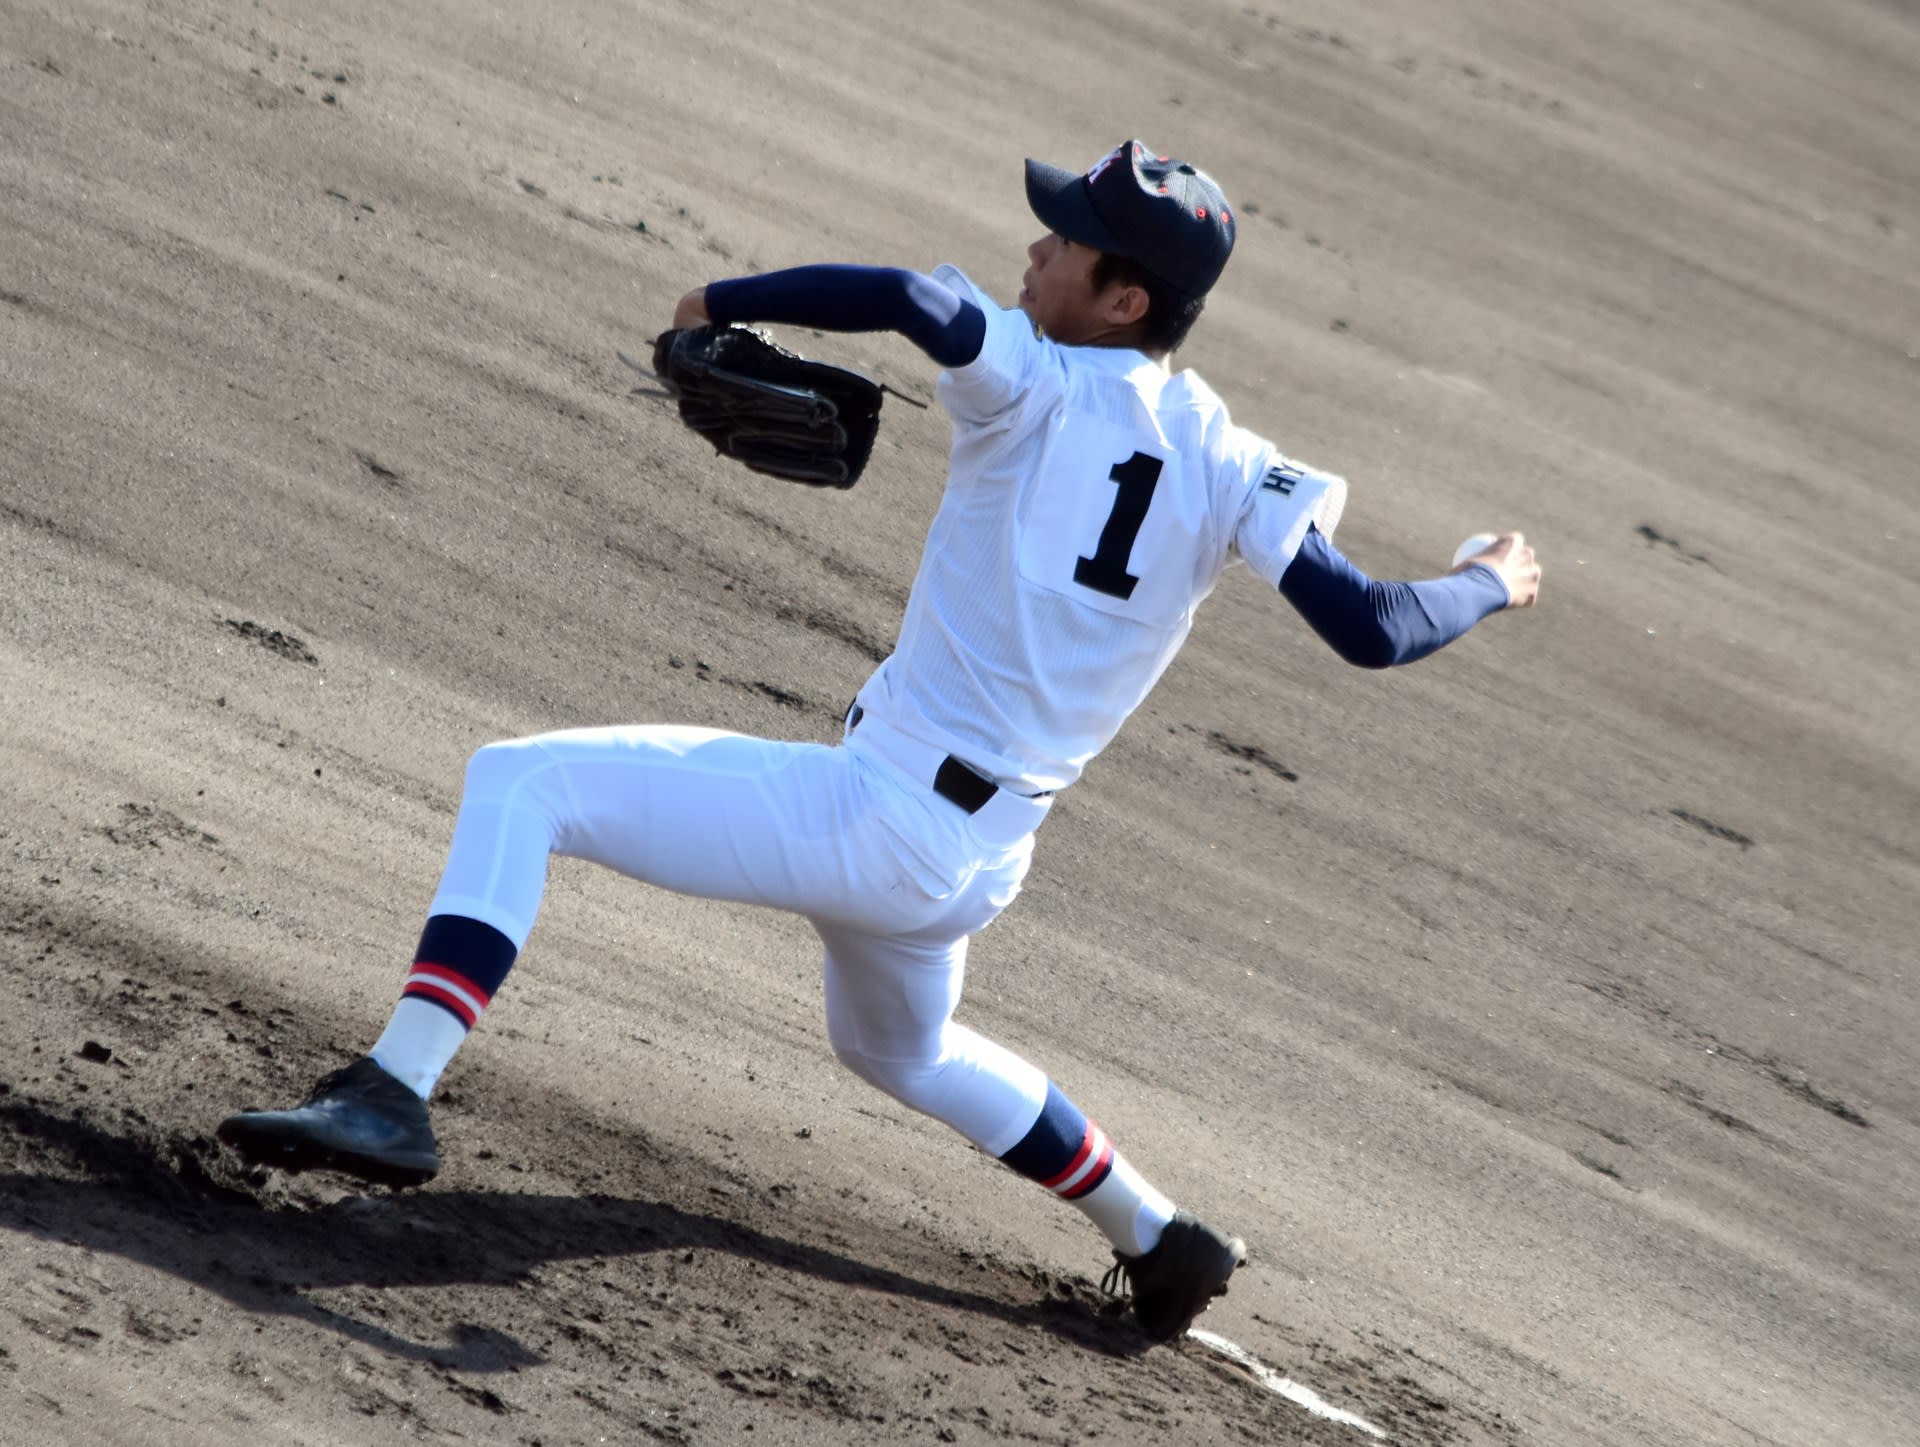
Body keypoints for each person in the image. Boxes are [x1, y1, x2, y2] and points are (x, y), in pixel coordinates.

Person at [219, 140, 1541, 1343]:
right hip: (977, 858)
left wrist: (712, 298)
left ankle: (392, 1090)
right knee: (899, 1050)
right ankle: (1159, 1236)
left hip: (877, 817)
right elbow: (1375, 626)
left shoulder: (1031, 381)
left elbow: (911, 296)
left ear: (1124, 298)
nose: (1036, 248)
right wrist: (1489, 577)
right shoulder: (1233, 461)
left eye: (1067, 241)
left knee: (524, 784)